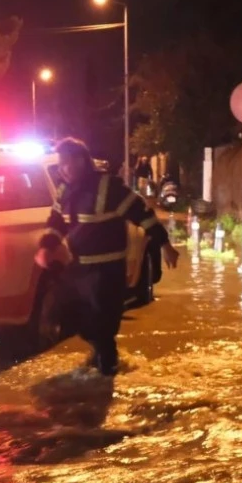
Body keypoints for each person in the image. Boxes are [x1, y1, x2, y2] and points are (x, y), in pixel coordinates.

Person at [37, 138, 179, 375]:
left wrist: (164, 244)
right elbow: (56, 222)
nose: (61, 169)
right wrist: (46, 247)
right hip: (78, 268)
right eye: (60, 165)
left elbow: (141, 214)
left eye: (65, 163)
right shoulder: (65, 190)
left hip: (107, 272)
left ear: (81, 161)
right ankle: (101, 357)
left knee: (102, 325)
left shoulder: (109, 188)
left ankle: (107, 372)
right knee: (66, 315)